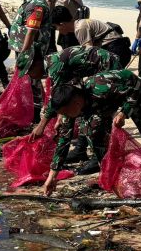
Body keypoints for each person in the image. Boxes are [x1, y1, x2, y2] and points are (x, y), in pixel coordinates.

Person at [42, 69, 141, 196]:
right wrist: (52, 176)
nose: (65, 116)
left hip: (132, 91)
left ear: (76, 103)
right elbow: (63, 142)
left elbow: (135, 88)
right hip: (102, 105)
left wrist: (124, 112)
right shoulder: (70, 108)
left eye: (65, 113)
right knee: (91, 131)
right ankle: (109, 173)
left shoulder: (100, 87)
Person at [28, 42, 120, 173]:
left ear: (36, 64)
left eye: (29, 72)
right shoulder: (51, 64)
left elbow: (56, 100)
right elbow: (62, 98)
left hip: (107, 67)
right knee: (76, 115)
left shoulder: (55, 66)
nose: (31, 76)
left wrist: (41, 126)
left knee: (97, 117)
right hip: (93, 73)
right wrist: (60, 117)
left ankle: (100, 159)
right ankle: (81, 150)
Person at [7, 0, 53, 118]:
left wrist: (25, 51)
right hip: (24, 48)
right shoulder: (29, 1)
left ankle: (34, 112)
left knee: (32, 80)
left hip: (32, 50)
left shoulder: (36, 5)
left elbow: (32, 31)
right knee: (27, 79)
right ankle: (29, 109)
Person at [51, 6, 132, 67]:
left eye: (55, 27)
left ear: (62, 24)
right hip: (119, 48)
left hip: (116, 50)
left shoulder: (80, 28)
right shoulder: (80, 23)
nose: (57, 30)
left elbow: (89, 53)